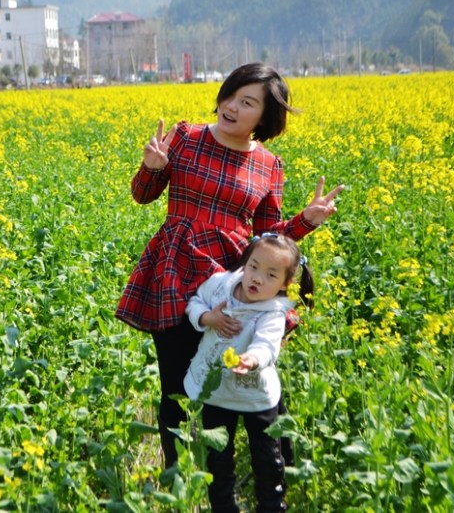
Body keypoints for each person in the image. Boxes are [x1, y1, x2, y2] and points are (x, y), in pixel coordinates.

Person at [115, 62, 342, 468]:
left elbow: (268, 236)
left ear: (265, 118)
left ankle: (281, 470)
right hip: (175, 270)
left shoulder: (268, 164)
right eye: (231, 95)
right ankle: (177, 476)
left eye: (248, 102)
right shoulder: (186, 136)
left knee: (247, 373)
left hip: (233, 280)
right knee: (175, 383)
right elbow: (143, 195)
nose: (232, 107)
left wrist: (306, 221)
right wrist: (151, 167)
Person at [184, 232, 313, 512]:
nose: (257, 278)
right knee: (218, 456)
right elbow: (195, 301)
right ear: (245, 262)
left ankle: (271, 504)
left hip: (255, 395)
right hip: (216, 390)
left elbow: (267, 345)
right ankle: (223, 507)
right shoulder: (221, 284)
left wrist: (251, 359)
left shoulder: (272, 312)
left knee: (267, 458)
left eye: (270, 275)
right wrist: (208, 317)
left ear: (285, 284)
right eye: (253, 267)